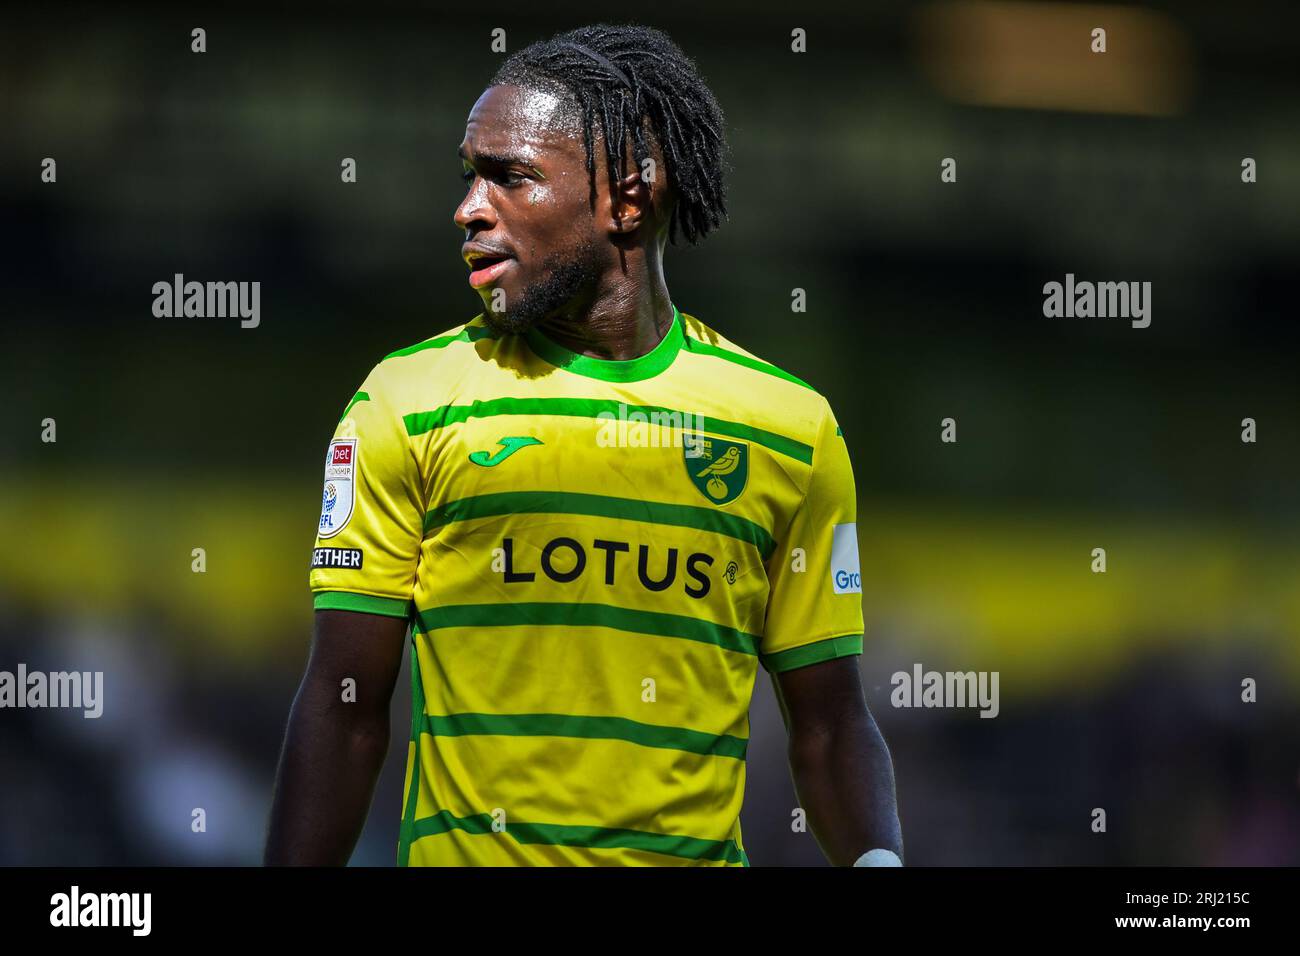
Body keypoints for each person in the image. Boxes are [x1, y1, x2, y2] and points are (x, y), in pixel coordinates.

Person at [265, 22, 902, 867]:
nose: (468, 208)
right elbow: (344, 712)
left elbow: (828, 726)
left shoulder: (787, 429)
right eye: (469, 177)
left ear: (627, 198)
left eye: (510, 177)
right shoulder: (408, 404)